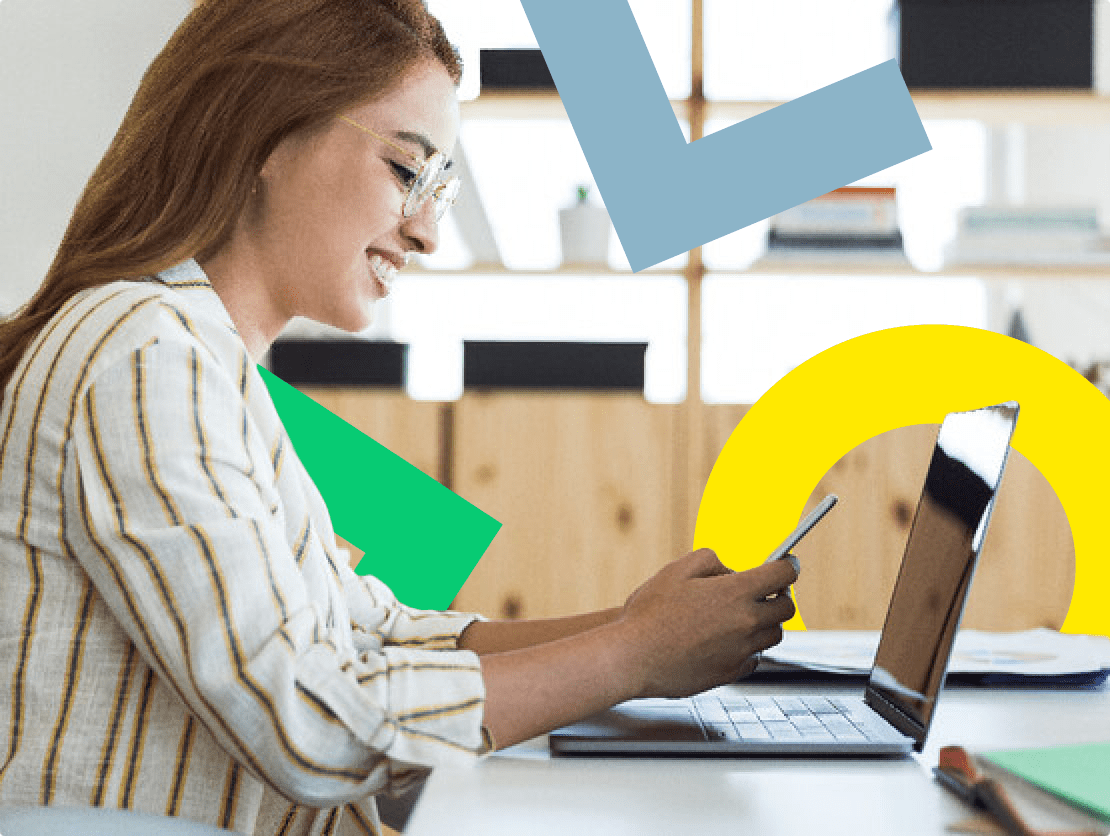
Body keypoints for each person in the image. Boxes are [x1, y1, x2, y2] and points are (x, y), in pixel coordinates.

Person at [0, 0, 799, 833]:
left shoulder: (205, 365)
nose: (425, 233)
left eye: (438, 189)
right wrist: (631, 657)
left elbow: (369, 636)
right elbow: (305, 719)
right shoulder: (143, 355)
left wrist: (641, 627)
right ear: (264, 134)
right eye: (403, 170)